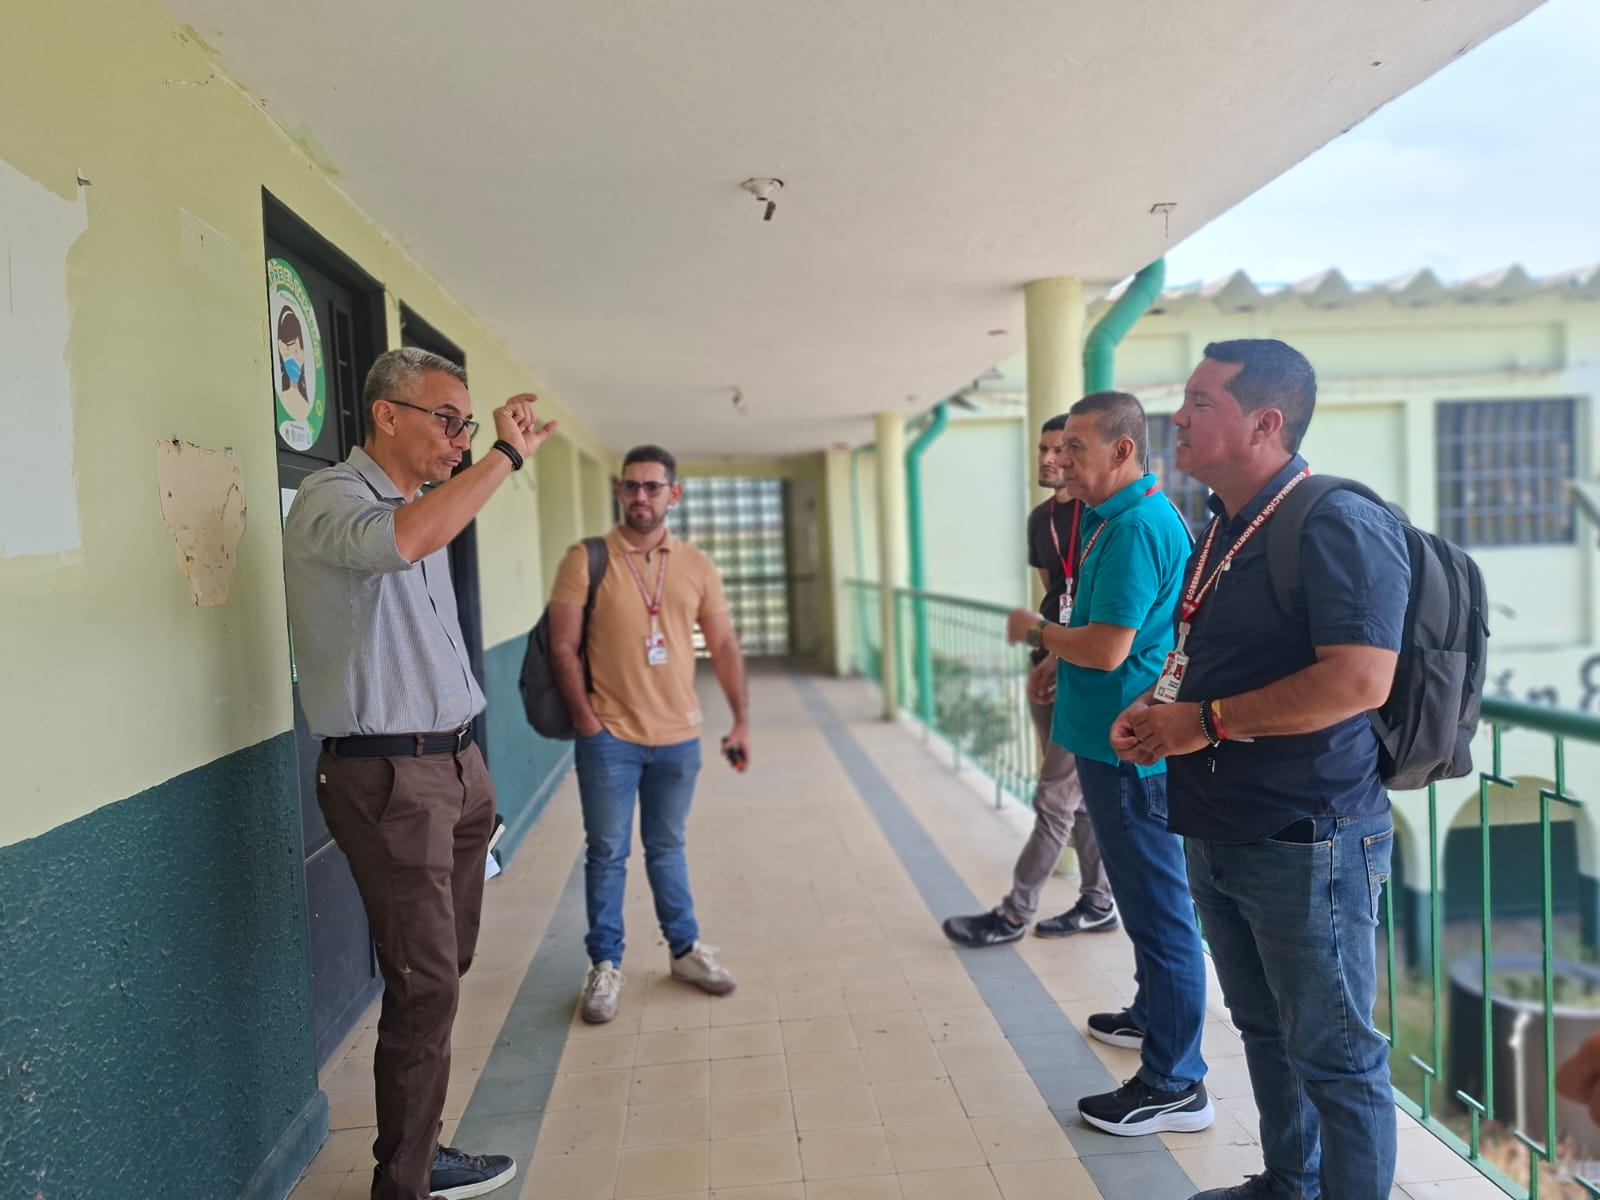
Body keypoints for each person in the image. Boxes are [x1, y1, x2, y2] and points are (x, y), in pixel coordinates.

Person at [1114, 339, 1411, 1200]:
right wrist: (1165, 714)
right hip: (1219, 823)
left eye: (1200, 402)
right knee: (1263, 1028)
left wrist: (1199, 722)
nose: (1177, 416)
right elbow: (1214, 654)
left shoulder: (1334, 520)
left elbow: (1359, 678)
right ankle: (1292, 1182)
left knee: (1338, 1053)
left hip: (1305, 835)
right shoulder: (1224, 524)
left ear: (1264, 422)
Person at [283, 347, 554, 1200]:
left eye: (467, 425)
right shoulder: (337, 500)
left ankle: (418, 1142)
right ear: (386, 415)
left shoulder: (419, 505)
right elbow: (410, 541)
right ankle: (406, 1178)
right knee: (425, 979)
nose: (460, 439)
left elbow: (426, 533)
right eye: (447, 420)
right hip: (389, 777)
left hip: (457, 765)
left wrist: (473, 765)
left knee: (446, 961)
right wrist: (504, 459)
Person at [1004, 391, 1212, 1137]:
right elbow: (1096, 634)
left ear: (1123, 452)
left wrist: (1039, 633)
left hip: (1132, 752)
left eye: (1075, 448)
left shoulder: (1136, 528)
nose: (1056, 460)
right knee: (1143, 902)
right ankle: (1151, 1015)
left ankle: (1176, 1081)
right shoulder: (1106, 519)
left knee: (1160, 915)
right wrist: (1059, 661)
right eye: (1054, 448)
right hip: (1102, 736)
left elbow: (1107, 647)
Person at [548, 445, 751, 1024]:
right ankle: (605, 965)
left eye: (653, 487)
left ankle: (685, 952)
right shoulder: (586, 559)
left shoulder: (695, 565)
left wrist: (741, 719)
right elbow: (562, 646)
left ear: (673, 494)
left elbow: (726, 645)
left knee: (667, 848)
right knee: (607, 853)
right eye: (631, 486)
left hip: (678, 737)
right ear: (619, 491)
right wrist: (587, 720)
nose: (641, 496)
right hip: (609, 736)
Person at [942, 414, 1116, 947]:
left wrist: (1058, 657)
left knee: (1053, 798)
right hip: (1048, 659)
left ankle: (1016, 912)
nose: (1047, 458)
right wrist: (1044, 655)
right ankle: (1098, 900)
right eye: (1041, 448)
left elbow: (1094, 612)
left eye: (1060, 448)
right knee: (1073, 794)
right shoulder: (1041, 519)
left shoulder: (1103, 519)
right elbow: (1055, 592)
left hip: (1081, 668)